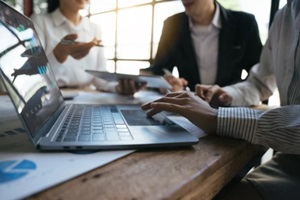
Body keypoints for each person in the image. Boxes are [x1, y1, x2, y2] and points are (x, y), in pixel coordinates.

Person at [141, 0, 300, 199]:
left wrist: (219, 118)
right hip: (285, 158)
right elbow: (259, 82)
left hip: (237, 126)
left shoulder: (244, 22)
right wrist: (228, 93)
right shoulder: (283, 17)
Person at [143, 0, 262, 92]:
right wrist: (168, 81)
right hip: (188, 109)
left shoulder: (244, 23)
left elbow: (259, 74)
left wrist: (234, 94)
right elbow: (159, 68)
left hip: (231, 110)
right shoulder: (172, 24)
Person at [30, 0, 143, 96]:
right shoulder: (39, 21)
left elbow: (99, 76)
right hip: (53, 97)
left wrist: (119, 87)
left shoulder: (95, 29)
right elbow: (36, 75)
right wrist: (59, 54)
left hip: (88, 96)